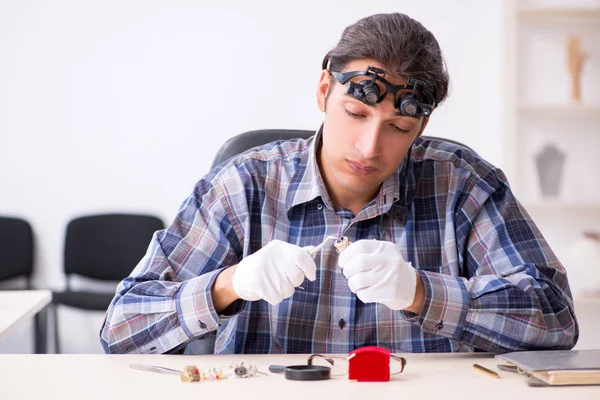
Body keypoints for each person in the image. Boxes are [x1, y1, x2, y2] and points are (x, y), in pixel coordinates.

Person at [100, 12, 578, 355]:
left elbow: (555, 317)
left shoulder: (465, 185)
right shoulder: (242, 185)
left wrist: (421, 292)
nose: (370, 147)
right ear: (325, 92)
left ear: (422, 127)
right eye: (356, 113)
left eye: (398, 128)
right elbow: (121, 327)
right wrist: (227, 285)